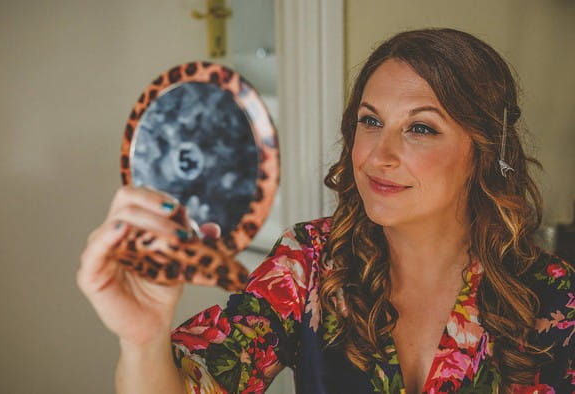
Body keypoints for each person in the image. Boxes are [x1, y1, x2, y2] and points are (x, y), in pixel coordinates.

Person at [78, 28, 574, 393]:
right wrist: (143, 340)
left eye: (420, 128)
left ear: (484, 151)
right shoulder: (309, 262)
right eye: (370, 121)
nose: (379, 154)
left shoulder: (556, 299)